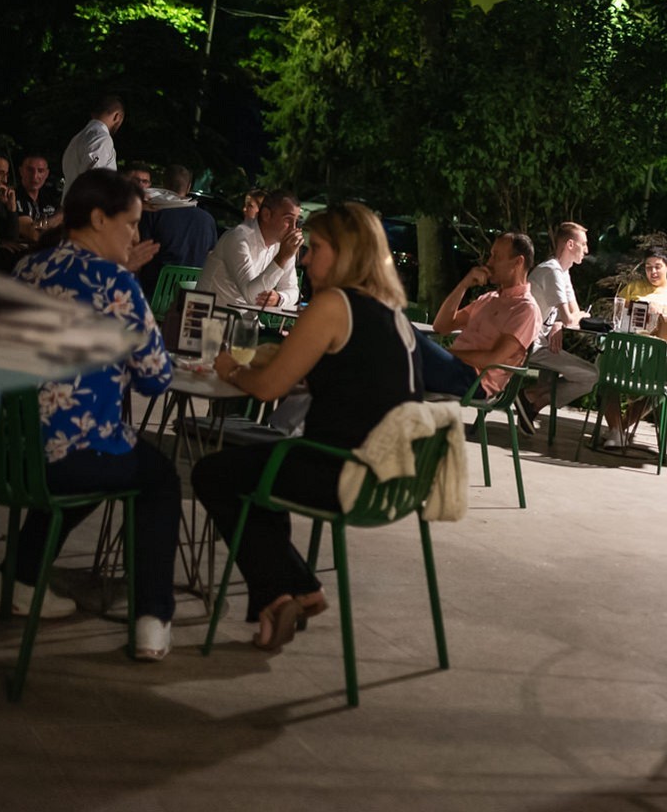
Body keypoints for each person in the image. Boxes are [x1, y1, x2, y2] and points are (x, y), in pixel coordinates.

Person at [192, 202, 422, 650]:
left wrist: (230, 370)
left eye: (315, 249)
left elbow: (266, 389)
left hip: (341, 471)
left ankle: (296, 587)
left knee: (213, 472)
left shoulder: (334, 303)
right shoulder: (393, 314)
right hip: (393, 479)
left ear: (345, 253)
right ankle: (280, 599)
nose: (306, 259)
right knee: (261, 470)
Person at [2, 169, 180, 660]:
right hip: (67, 456)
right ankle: (152, 619)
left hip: (8, 449)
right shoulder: (116, 283)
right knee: (157, 477)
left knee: (97, 459)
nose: (136, 237)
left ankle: (19, 579)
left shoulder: (28, 268)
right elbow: (156, 378)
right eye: (131, 224)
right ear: (99, 219)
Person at [415, 232, 541, 398]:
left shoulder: (525, 309)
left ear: (518, 262)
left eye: (496, 257)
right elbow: (442, 326)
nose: (489, 262)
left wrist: (448, 354)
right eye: (491, 255)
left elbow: (492, 359)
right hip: (452, 367)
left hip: (473, 380)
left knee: (402, 334)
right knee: (399, 339)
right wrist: (463, 285)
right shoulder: (489, 299)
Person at [520, 222, 598, 433]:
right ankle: (530, 397)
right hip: (528, 345)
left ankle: (533, 400)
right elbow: (574, 318)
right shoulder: (551, 271)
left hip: (541, 343)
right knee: (592, 376)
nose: (587, 250)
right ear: (570, 244)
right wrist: (567, 320)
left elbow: (573, 314)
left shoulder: (563, 272)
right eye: (584, 244)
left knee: (589, 375)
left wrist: (558, 323)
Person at [196, 189, 303, 308]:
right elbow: (252, 296)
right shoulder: (238, 238)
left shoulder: (281, 245)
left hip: (243, 317)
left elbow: (293, 290)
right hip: (210, 315)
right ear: (266, 215)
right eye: (288, 219)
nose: (294, 228)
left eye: (297, 221)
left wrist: (279, 298)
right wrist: (281, 258)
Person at [136, 164, 217, 296]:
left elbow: (140, 254)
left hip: (153, 294)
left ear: (164, 184)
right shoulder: (208, 220)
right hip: (190, 296)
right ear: (189, 187)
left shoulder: (152, 214)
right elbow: (211, 258)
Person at [61, 95, 124, 197]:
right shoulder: (102, 138)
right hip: (87, 205)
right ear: (117, 116)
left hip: (71, 202)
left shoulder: (77, 139)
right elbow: (93, 180)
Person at [618, 244, 667, 315]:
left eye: (657, 267)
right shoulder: (633, 287)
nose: (653, 271)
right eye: (648, 267)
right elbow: (619, 313)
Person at [13, 152, 61, 243]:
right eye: (30, 170)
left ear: (46, 174)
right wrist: (58, 217)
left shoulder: (50, 198)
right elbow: (35, 235)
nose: (35, 176)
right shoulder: (13, 197)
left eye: (40, 171)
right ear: (21, 171)